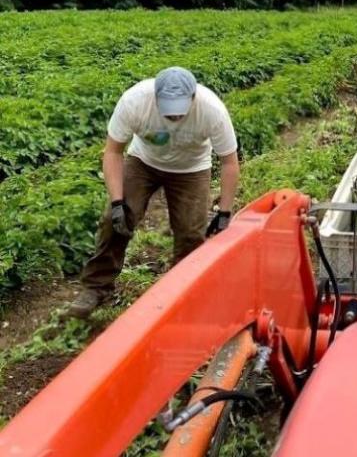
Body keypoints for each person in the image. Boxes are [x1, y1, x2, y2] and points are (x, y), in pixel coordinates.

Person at [67, 67, 240, 318]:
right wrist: (117, 202)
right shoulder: (134, 101)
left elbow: (229, 162)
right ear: (156, 98)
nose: (174, 117)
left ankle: (182, 292)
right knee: (114, 221)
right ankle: (96, 288)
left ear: (193, 98)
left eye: (180, 110)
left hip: (191, 169)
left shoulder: (212, 110)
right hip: (143, 162)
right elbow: (113, 152)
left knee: (191, 234)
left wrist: (224, 212)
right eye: (168, 109)